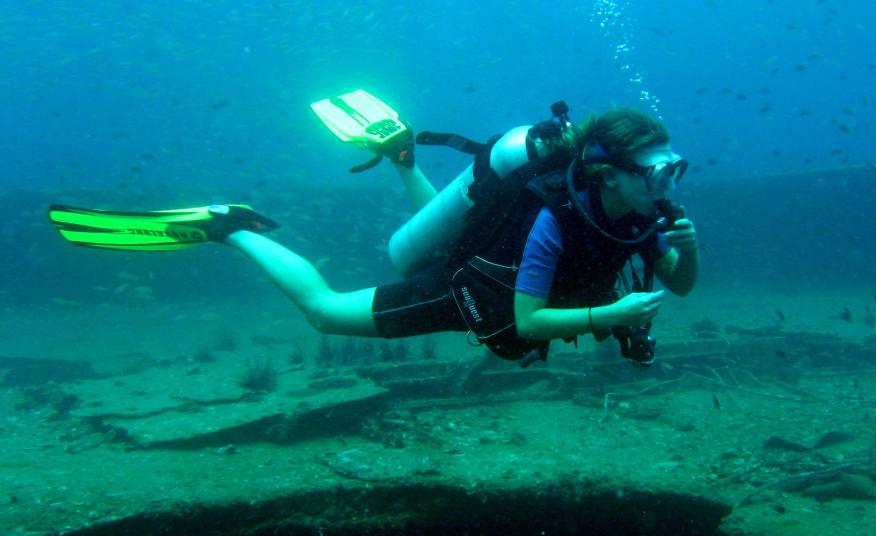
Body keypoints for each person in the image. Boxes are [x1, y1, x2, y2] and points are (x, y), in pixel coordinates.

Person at [49, 102, 699, 365]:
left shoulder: (639, 213)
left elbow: (682, 282)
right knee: (325, 311)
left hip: (483, 258)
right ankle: (234, 226)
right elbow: (527, 323)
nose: (668, 181)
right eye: (655, 170)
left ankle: (402, 156)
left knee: (452, 230)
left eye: (674, 168)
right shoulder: (558, 220)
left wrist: (686, 251)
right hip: (471, 294)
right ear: (607, 173)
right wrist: (612, 311)